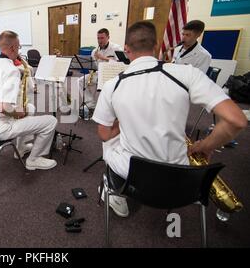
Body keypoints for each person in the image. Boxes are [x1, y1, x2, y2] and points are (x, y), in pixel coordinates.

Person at [92, 21, 247, 217]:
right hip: (181, 175)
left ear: (126, 49)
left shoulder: (112, 85)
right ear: (157, 46)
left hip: (132, 173)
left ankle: (116, 196)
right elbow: (236, 120)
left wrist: (124, 120)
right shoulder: (187, 73)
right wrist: (205, 146)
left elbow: (104, 134)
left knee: (109, 141)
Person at [0, 30, 58, 170]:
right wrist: (19, 114)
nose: (19, 50)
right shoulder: (11, 70)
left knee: (31, 108)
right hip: (2, 127)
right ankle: (34, 159)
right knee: (51, 122)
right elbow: (4, 107)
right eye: (19, 47)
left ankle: (20, 148)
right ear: (13, 48)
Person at [78, 28, 123, 109]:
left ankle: (108, 105)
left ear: (108, 37)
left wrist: (103, 58)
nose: (99, 40)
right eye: (98, 38)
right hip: (99, 73)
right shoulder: (95, 51)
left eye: (102, 38)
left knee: (99, 84)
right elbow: (93, 67)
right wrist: (92, 63)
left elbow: (121, 64)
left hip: (112, 74)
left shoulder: (116, 48)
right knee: (80, 81)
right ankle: (90, 102)